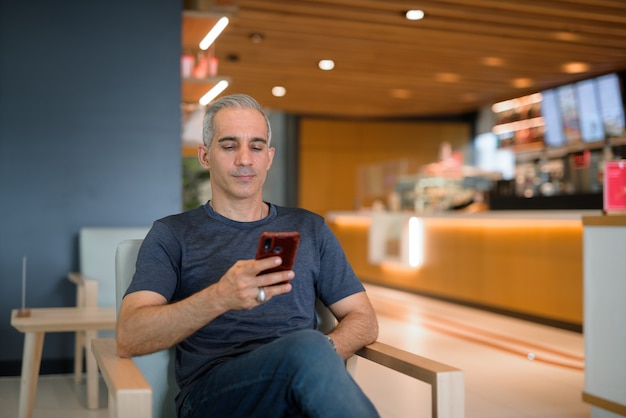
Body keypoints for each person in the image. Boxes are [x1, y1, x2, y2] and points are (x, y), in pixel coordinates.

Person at [116, 93, 380, 417]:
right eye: (229, 146)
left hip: (299, 391)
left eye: (255, 147)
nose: (244, 159)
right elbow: (130, 336)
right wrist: (220, 297)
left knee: (309, 351)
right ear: (204, 156)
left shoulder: (310, 227)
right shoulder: (172, 233)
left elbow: (363, 319)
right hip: (213, 398)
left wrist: (316, 358)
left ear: (269, 157)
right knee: (308, 348)